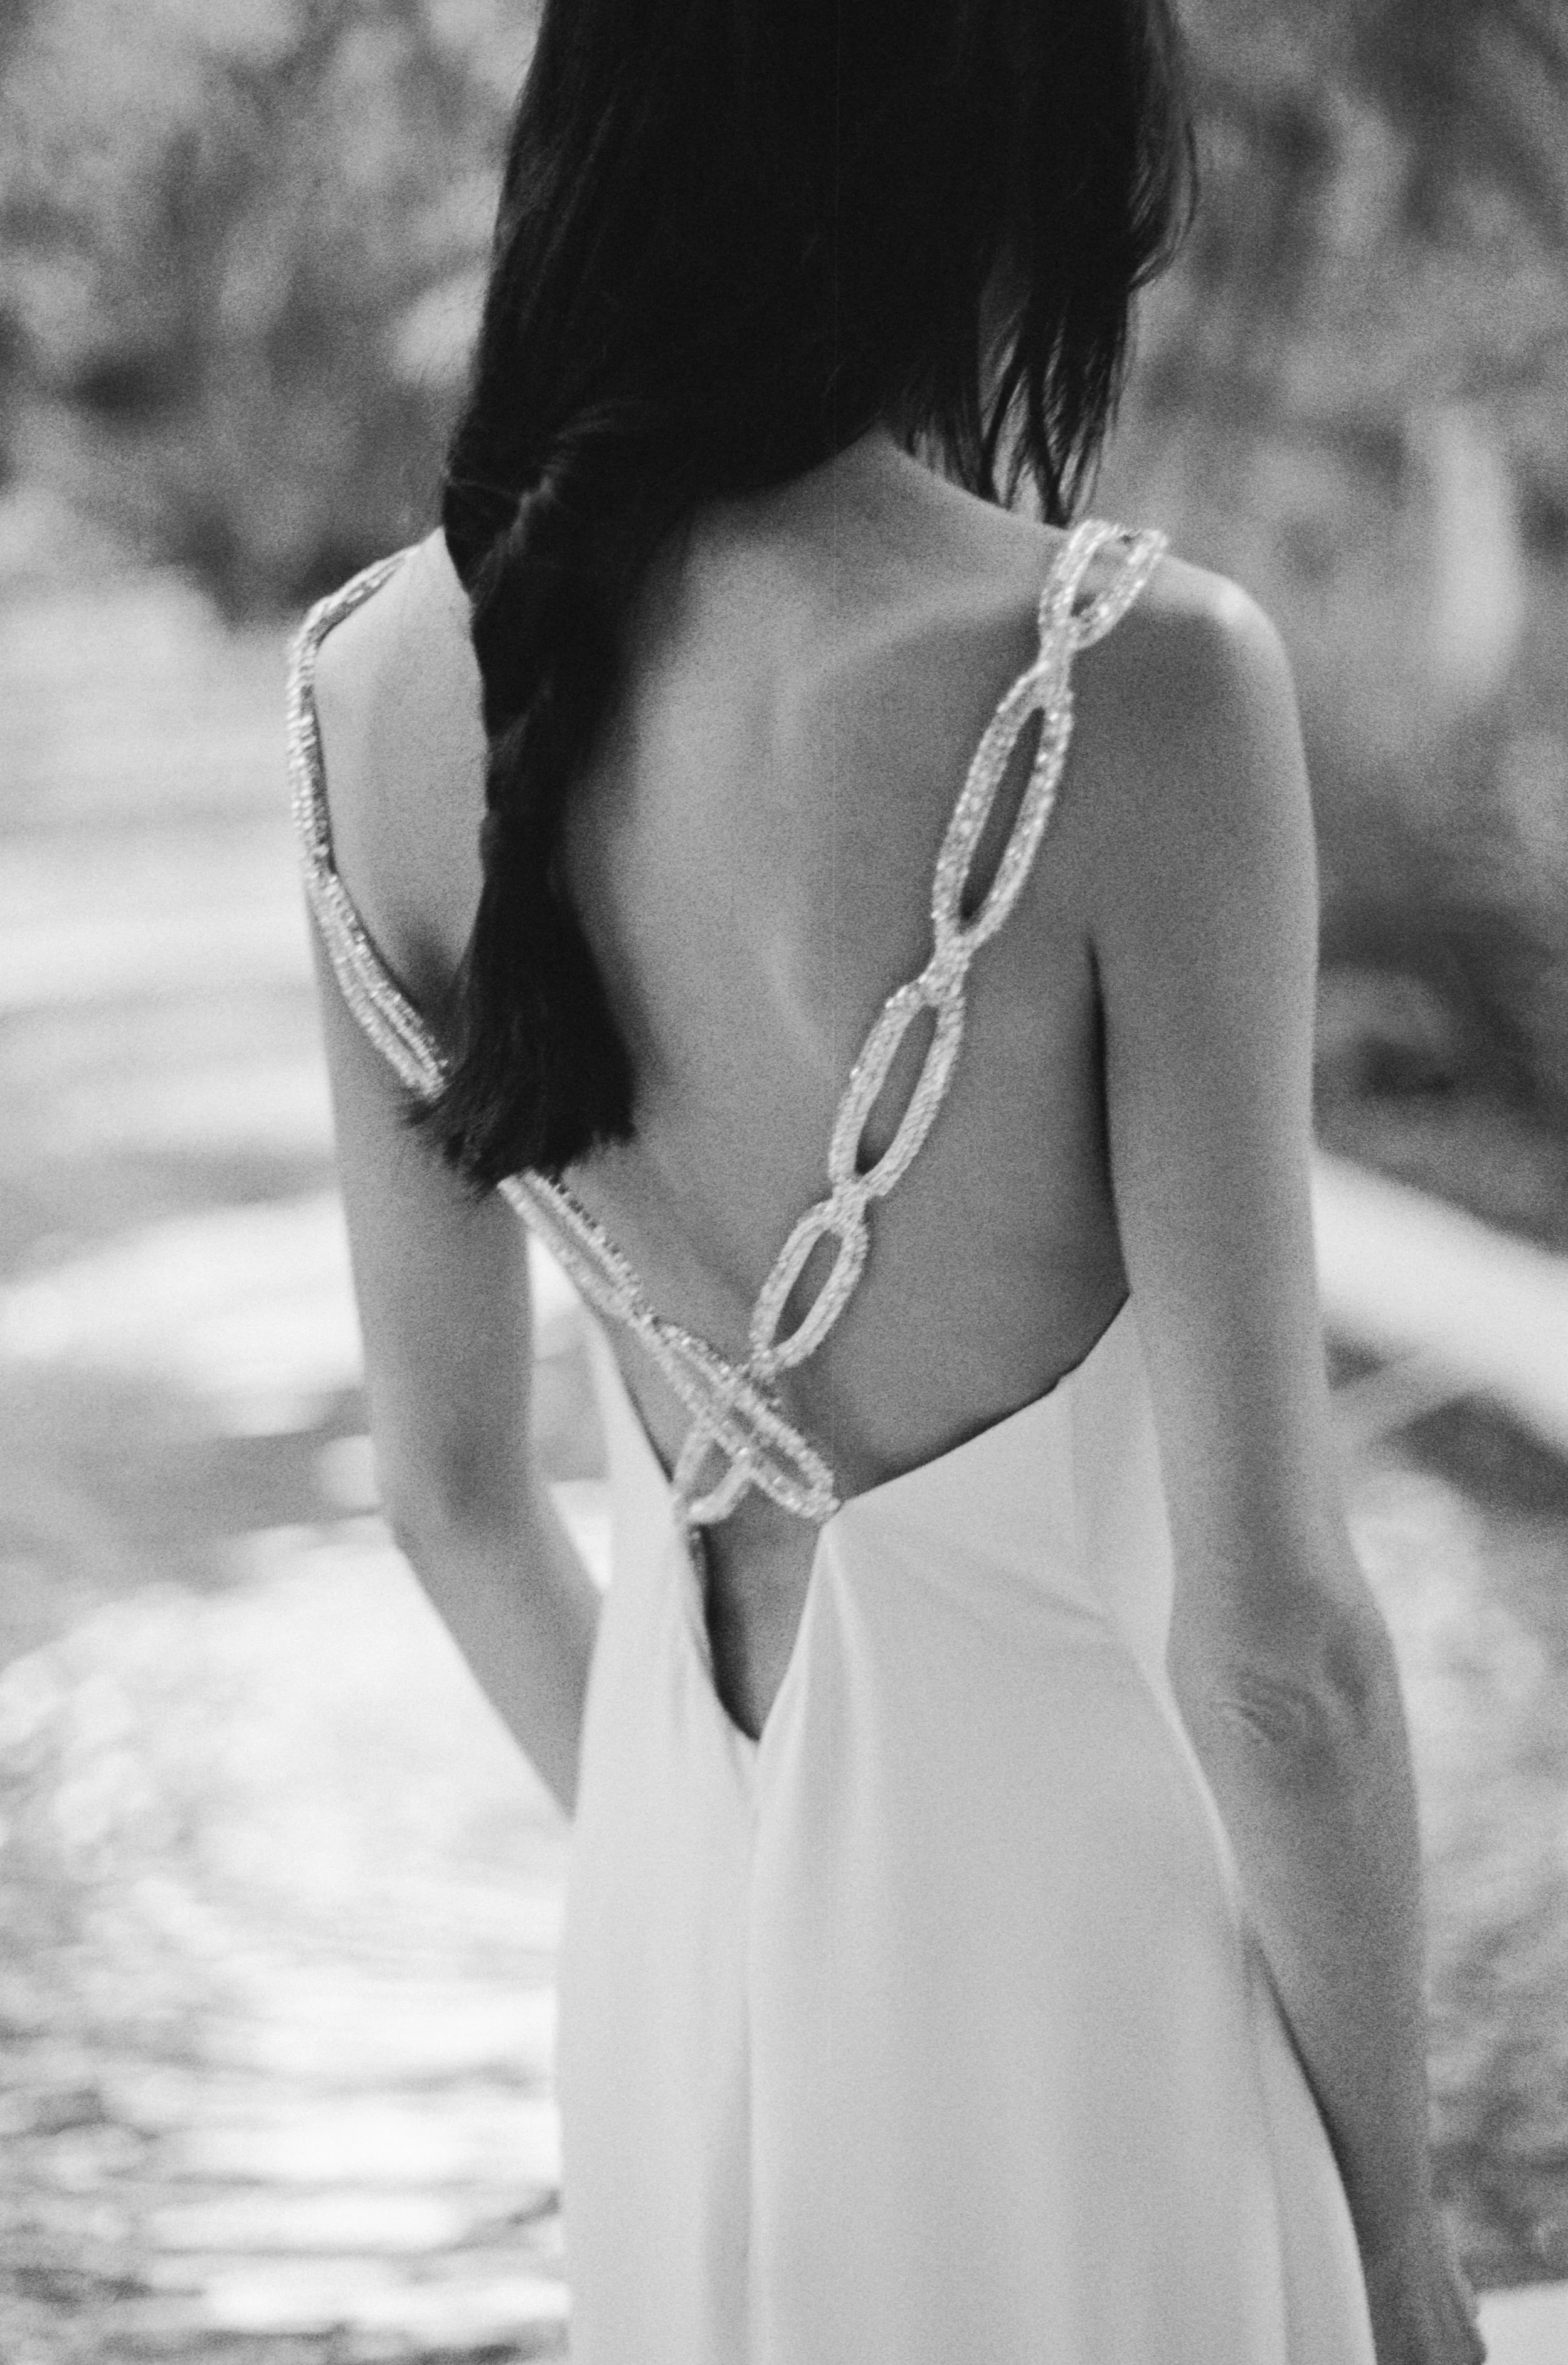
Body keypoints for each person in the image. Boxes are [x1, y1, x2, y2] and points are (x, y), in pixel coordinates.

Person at [287, 3, 1488, 2359]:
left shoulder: (362, 699)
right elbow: (1281, 1650)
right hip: (1096, 2002)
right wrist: (1407, 2243)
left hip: (679, 1978)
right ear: (984, 156)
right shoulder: (1122, 685)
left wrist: (731, 1877)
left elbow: (447, 1496)